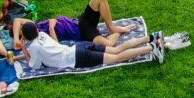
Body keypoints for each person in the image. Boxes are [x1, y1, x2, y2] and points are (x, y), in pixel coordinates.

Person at [18, 21, 162, 69]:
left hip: (78, 57)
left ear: (25, 36)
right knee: (117, 49)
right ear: (37, 30)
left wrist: (24, 48)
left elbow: (34, 66)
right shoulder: (43, 35)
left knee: (117, 58)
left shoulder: (34, 47)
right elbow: (55, 44)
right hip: (79, 47)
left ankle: (151, 47)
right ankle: (150, 38)